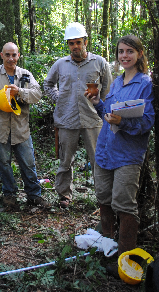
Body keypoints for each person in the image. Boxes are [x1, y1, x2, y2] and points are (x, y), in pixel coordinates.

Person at [86, 34, 154, 276]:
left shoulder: (146, 83)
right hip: (105, 149)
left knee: (124, 205)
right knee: (104, 198)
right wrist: (97, 102)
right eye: (121, 51)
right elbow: (109, 113)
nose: (124, 56)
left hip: (128, 153)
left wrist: (122, 122)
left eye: (129, 51)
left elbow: (146, 122)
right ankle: (108, 246)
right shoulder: (115, 82)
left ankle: (126, 260)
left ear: (139, 55)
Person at [0, 42, 50, 209]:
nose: (11, 58)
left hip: (21, 128)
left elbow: (37, 94)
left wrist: (20, 92)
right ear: (1, 55)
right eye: (7, 55)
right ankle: (9, 196)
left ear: (18, 56)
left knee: (28, 163)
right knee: (4, 164)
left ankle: (34, 195)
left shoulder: (25, 75)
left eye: (14, 55)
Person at [44, 22, 112, 208]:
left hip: (94, 120)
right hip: (67, 119)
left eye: (78, 42)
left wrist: (102, 107)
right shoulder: (60, 64)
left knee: (98, 160)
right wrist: (59, 99)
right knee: (66, 160)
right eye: (71, 43)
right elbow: (48, 85)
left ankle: (103, 198)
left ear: (85, 42)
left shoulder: (99, 63)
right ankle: (64, 196)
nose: (75, 46)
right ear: (68, 45)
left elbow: (108, 88)